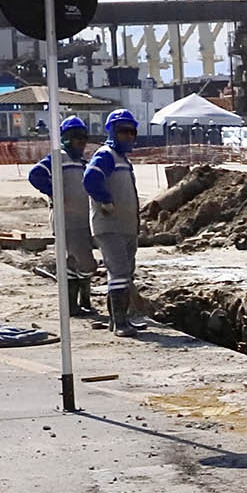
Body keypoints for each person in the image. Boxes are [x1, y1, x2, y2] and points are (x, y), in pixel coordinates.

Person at [26, 115, 97, 318]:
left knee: (73, 262)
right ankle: (80, 300)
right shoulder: (58, 159)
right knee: (86, 263)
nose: (81, 142)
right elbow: (35, 175)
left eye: (83, 138)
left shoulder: (82, 163)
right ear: (66, 138)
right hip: (66, 220)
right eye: (76, 137)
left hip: (82, 221)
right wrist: (54, 192)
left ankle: (77, 304)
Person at [82, 110, 144, 332]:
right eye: (123, 132)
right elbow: (90, 179)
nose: (128, 136)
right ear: (112, 132)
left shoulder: (122, 160)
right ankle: (120, 322)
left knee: (125, 272)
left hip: (126, 226)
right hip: (110, 226)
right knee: (118, 271)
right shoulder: (106, 155)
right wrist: (105, 200)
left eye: (131, 132)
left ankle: (118, 319)